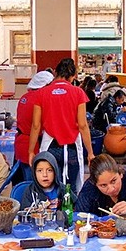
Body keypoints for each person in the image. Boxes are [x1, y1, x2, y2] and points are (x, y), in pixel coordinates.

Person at [29, 58, 95, 194]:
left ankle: (50, 214)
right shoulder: (78, 93)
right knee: (71, 189)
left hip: (50, 148)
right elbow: (83, 125)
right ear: (73, 76)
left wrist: (31, 151)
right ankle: (69, 214)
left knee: (48, 187)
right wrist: (90, 152)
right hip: (72, 150)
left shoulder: (41, 93)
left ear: (55, 72)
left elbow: (36, 126)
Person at [14, 71, 55, 185]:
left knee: (23, 181)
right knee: (33, 184)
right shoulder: (40, 99)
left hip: (21, 142)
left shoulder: (25, 97)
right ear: (45, 85)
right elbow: (38, 125)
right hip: (32, 145)